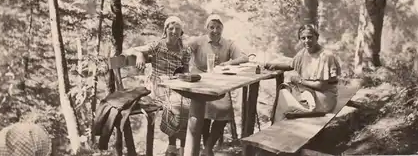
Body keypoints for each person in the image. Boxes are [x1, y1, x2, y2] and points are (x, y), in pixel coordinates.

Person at [127, 16, 191, 156]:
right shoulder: (158, 45)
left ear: (181, 32)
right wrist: (139, 54)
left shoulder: (185, 49)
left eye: (177, 29)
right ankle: (173, 146)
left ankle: (182, 148)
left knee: (190, 104)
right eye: (171, 28)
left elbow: (186, 70)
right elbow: (130, 50)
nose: (174, 31)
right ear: (166, 30)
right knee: (176, 103)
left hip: (175, 83)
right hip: (157, 84)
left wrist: (184, 78)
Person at [186, 14, 249, 156]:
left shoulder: (228, 43)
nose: (215, 30)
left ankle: (208, 146)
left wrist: (228, 63)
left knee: (225, 111)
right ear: (206, 28)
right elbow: (183, 49)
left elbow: (244, 57)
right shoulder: (198, 41)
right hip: (201, 83)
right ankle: (206, 150)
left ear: (222, 28)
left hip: (220, 83)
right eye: (211, 27)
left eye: (218, 27)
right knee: (204, 112)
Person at [264, 24, 342, 121]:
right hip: (311, 92)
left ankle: (279, 125)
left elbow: (321, 86)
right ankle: (279, 123)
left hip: (324, 98)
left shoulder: (326, 56)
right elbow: (291, 65)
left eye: (310, 37)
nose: (306, 41)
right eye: (303, 38)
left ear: (317, 37)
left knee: (285, 97)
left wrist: (300, 81)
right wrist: (274, 65)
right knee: (284, 92)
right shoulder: (304, 52)